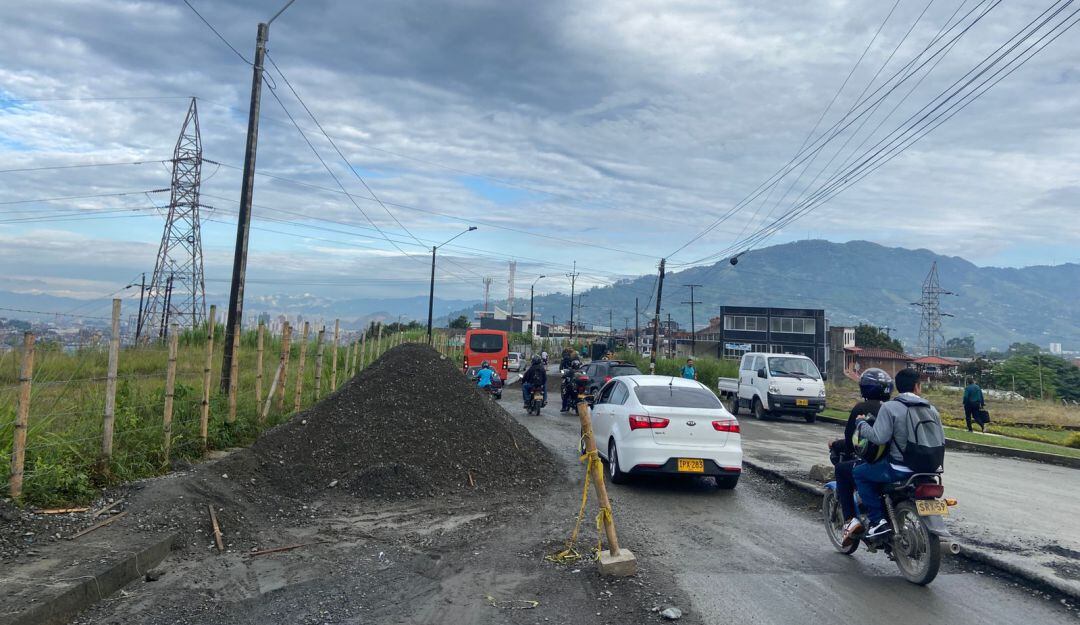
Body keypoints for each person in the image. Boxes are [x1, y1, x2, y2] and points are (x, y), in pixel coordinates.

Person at [851, 368, 945, 539]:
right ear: (918, 387)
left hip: (899, 468)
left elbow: (879, 438)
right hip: (931, 468)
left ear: (897, 388)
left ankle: (877, 521)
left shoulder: (890, 407)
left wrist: (861, 424)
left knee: (859, 473)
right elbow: (942, 439)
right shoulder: (932, 409)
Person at [837, 368, 893, 546]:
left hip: (876, 463)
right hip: (895, 460)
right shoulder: (892, 408)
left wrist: (836, 446)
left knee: (842, 470)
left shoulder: (861, 409)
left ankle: (850, 521)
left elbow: (851, 441)